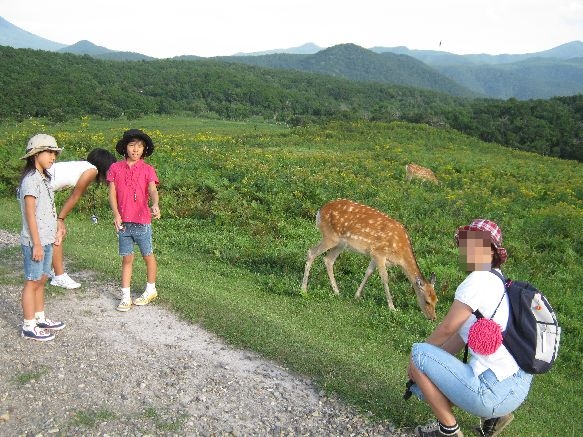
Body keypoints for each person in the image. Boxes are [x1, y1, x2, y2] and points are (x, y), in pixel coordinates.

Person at [407, 219, 533, 437]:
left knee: (418, 353)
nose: (466, 249)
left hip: (493, 390)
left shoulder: (478, 279)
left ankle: (449, 429)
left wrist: (417, 361)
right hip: (514, 389)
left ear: (491, 250)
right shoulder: (500, 283)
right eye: (464, 244)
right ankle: (495, 416)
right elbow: (456, 338)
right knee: (421, 374)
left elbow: (446, 329)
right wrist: (422, 369)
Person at [18, 134, 66, 341]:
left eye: (55, 153)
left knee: (42, 279)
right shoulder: (30, 181)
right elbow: (30, 213)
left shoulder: (44, 178)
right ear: (35, 154)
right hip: (34, 241)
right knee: (32, 281)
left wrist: (57, 228)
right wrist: (36, 244)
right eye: (49, 152)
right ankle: (28, 325)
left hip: (46, 239)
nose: (53, 157)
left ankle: (39, 317)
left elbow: (48, 209)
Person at [107, 129, 160, 312]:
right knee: (127, 259)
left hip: (142, 221)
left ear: (144, 149)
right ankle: (125, 297)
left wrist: (155, 204)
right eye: (131, 145)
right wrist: (116, 214)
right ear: (125, 148)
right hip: (123, 223)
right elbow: (112, 193)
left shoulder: (147, 169)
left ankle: (151, 289)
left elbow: (153, 190)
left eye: (139, 146)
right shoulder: (115, 168)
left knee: (148, 256)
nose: (135, 149)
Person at [48, 148, 117, 289]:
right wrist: (60, 219)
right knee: (57, 233)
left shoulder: (83, 166)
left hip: (39, 190)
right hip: (39, 191)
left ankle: (50, 270)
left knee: (50, 233)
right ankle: (59, 276)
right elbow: (75, 196)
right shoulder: (92, 171)